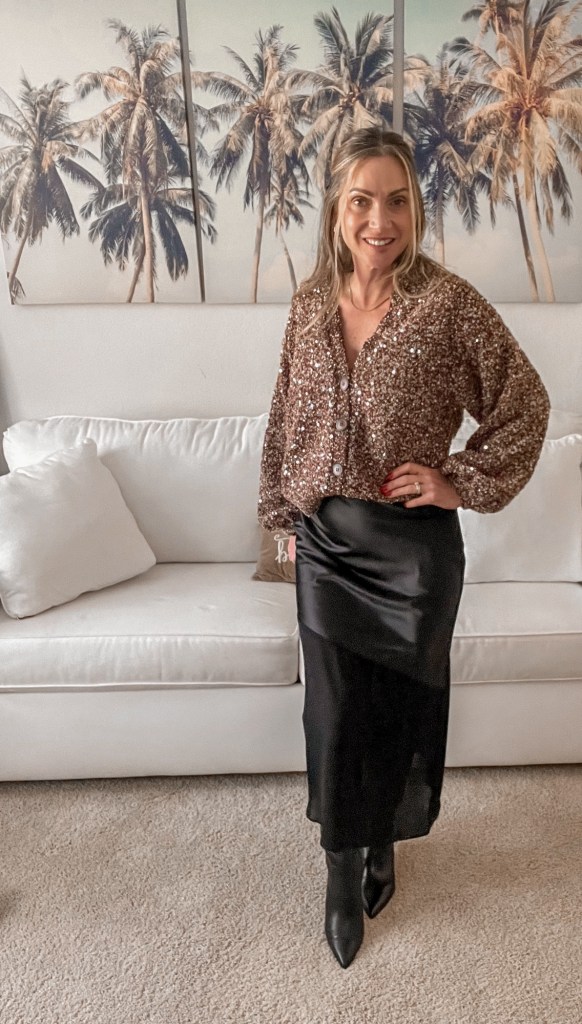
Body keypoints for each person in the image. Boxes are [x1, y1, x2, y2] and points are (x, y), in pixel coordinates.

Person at [257, 128, 550, 969]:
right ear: (336, 209)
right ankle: (339, 873)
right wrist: (279, 516)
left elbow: (525, 404)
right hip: (328, 543)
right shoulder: (309, 304)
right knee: (335, 715)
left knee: (395, 716)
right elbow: (284, 416)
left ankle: (383, 842)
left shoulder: (448, 306)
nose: (379, 221)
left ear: (415, 208)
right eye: (362, 200)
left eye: (396, 201)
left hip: (413, 553)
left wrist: (456, 480)